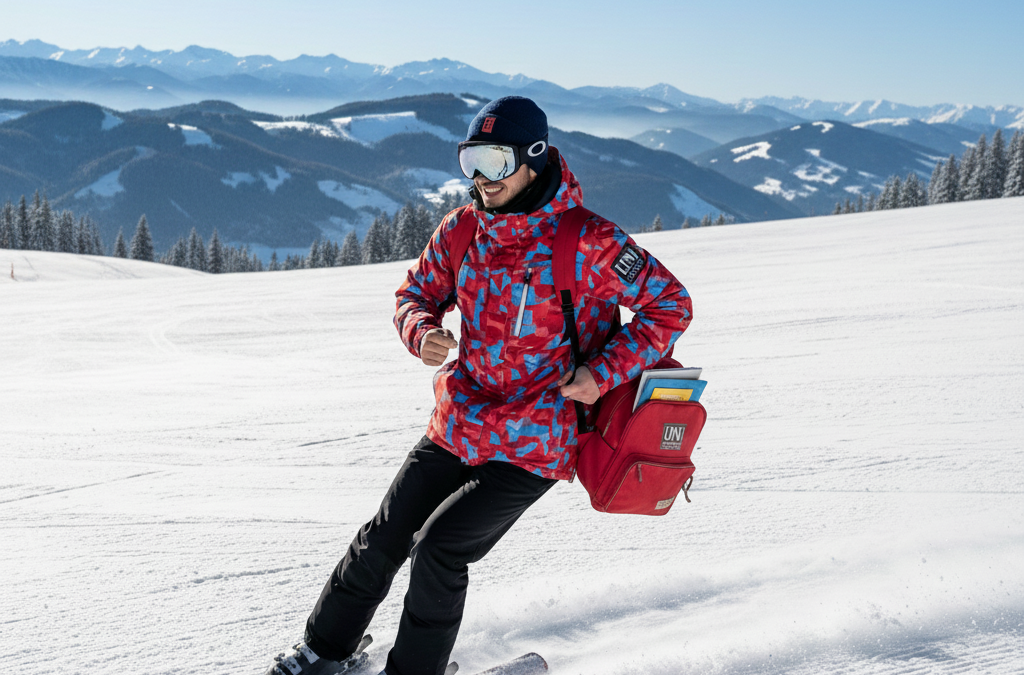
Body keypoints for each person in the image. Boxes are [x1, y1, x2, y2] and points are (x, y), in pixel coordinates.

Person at [265, 96, 692, 675]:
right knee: (385, 536)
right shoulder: (463, 230)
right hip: (460, 421)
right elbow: (412, 295)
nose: (480, 179)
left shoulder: (587, 241)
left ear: (533, 159)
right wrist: (421, 332)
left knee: (440, 549)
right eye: (471, 161)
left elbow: (670, 305)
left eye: (494, 162)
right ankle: (322, 651)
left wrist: (603, 373)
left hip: (537, 440)